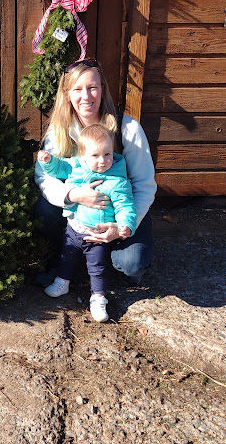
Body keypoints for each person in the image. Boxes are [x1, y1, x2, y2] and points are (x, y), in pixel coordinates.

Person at [34, 59, 157, 292]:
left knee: (132, 263)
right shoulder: (60, 130)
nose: (86, 96)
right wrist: (73, 194)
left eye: (92, 87)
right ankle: (59, 258)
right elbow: (44, 177)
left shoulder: (127, 128)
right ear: (67, 94)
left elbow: (145, 184)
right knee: (44, 210)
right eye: (77, 89)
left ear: (102, 90)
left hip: (120, 210)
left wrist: (122, 226)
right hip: (79, 211)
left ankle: (115, 256)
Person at [37, 124, 137, 322]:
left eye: (108, 154)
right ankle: (62, 282)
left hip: (97, 235)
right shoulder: (76, 166)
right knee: (67, 257)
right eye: (95, 156)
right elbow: (60, 167)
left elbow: (126, 206)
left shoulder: (117, 181)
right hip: (74, 229)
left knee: (97, 267)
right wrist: (48, 161)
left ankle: (98, 298)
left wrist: (125, 225)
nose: (103, 161)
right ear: (82, 155)